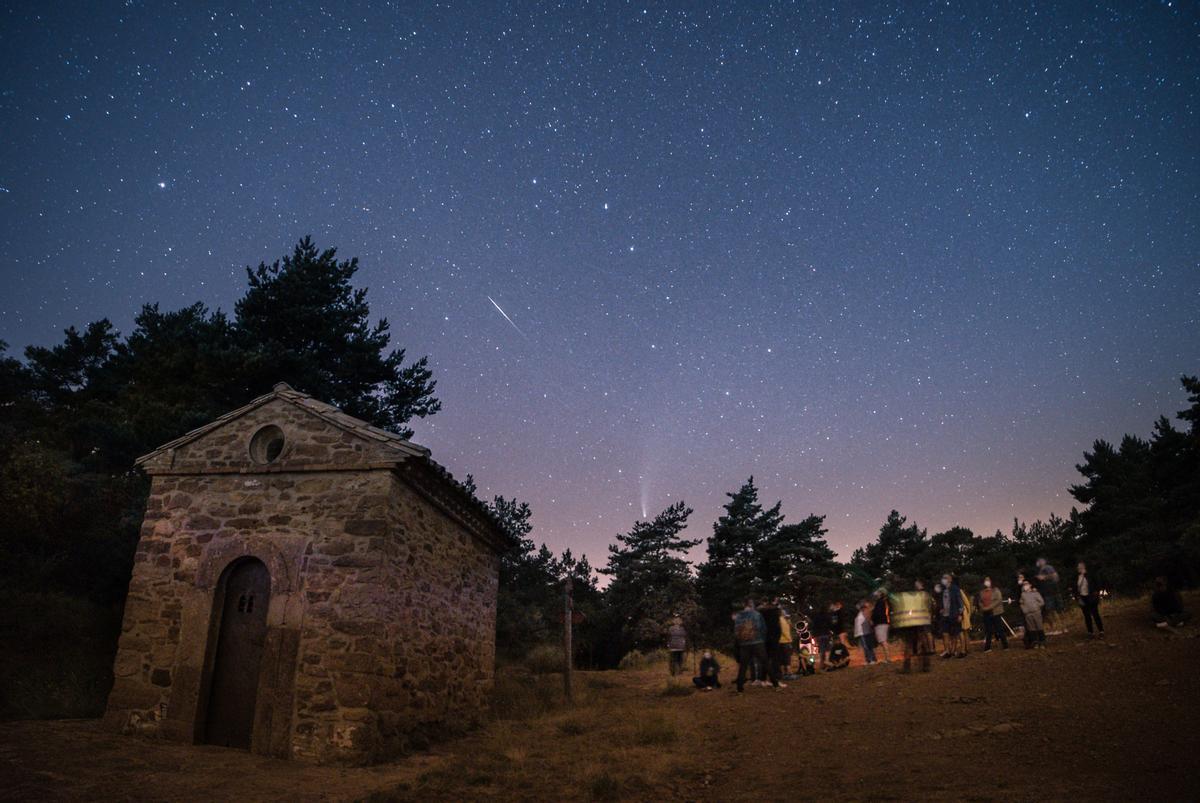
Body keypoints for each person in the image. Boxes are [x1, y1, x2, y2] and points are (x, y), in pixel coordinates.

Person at [890, 580, 934, 673]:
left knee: (908, 644)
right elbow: (930, 606)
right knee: (923, 643)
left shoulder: (901, 597)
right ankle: (926, 665)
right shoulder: (922, 595)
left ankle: (907, 667)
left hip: (908, 623)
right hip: (921, 621)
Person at [733, 599, 776, 692]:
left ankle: (739, 688)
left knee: (743, 666)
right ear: (751, 605)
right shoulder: (757, 614)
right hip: (757, 642)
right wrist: (762, 640)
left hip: (744, 644)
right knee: (765, 663)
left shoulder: (739, 616)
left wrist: (741, 642)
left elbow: (736, 631)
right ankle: (775, 684)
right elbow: (763, 628)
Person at [812, 600, 851, 671]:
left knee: (822, 650)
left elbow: (814, 626)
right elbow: (831, 624)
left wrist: (815, 635)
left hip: (819, 635)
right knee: (828, 650)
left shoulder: (816, 617)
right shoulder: (828, 616)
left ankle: (822, 664)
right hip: (826, 635)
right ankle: (829, 663)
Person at [757, 599, 787, 688]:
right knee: (775, 659)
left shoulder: (760, 612)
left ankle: (763, 679)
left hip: (764, 638)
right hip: (773, 638)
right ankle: (777, 679)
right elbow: (777, 627)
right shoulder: (774, 612)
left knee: (765, 659)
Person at [976, 576, 1009, 651]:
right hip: (986, 613)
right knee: (988, 631)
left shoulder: (996, 590)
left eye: (988, 580)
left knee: (999, 629)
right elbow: (980, 601)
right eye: (985, 580)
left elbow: (998, 600)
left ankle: (1005, 645)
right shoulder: (982, 592)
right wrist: (982, 608)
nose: (986, 582)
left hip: (996, 612)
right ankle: (987, 647)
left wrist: (989, 607)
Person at [1074, 562, 1105, 638]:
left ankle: (1101, 631)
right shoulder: (1077, 577)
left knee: (1095, 614)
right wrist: (1078, 598)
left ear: (1083, 567)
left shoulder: (1090, 575)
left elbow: (1098, 584)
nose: (1078, 568)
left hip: (1091, 597)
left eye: (1079, 567)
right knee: (1087, 616)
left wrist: (1096, 593)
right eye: (1078, 567)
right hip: (1082, 597)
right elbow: (1076, 588)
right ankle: (1090, 632)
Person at [939, 574, 966, 658]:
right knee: (945, 633)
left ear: (950, 579)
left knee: (958, 632)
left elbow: (960, 602)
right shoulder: (944, 590)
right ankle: (948, 651)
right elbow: (944, 602)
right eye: (943, 578)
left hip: (954, 614)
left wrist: (960, 614)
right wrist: (942, 609)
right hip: (945, 615)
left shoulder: (955, 589)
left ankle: (963, 651)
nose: (944, 580)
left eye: (946, 578)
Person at [1036, 558, 1065, 635]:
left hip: (1052, 592)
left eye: (1039, 561)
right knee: (1051, 610)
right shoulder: (1041, 570)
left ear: (1043, 562)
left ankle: (1060, 628)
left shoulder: (1048, 567)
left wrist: (1044, 577)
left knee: (1054, 610)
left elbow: (1056, 577)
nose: (1038, 563)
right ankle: (1059, 628)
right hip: (1048, 592)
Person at [1020, 581, 1046, 648]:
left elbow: (1042, 602)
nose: (1025, 586)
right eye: (1024, 585)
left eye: (1026, 584)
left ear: (1030, 585)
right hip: (1028, 614)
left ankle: (1042, 642)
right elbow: (1021, 603)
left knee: (1039, 627)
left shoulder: (1035, 593)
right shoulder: (1023, 595)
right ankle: (1035, 643)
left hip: (1036, 613)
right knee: (1032, 629)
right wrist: (1024, 610)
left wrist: (1036, 607)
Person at [871, 588, 892, 664]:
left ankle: (888, 658)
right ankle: (887, 657)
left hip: (881, 623)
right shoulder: (883, 602)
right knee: (883, 640)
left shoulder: (880, 602)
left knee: (883, 641)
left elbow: (878, 613)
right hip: (882, 623)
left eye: (878, 592)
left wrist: (873, 619)